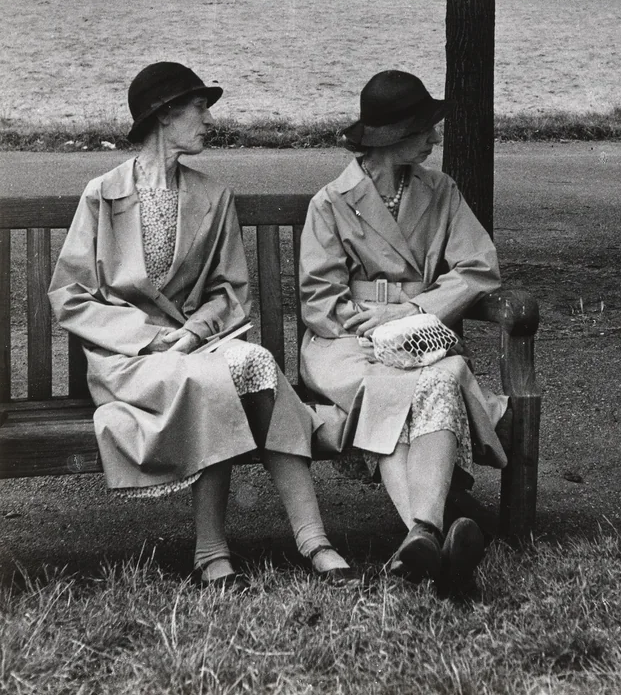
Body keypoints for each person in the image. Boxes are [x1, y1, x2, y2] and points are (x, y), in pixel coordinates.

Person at [47, 62, 354, 588]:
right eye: (198, 108)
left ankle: (314, 540)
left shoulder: (214, 196)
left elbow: (229, 292)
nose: (209, 119)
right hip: (129, 360)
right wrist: (149, 339)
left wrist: (191, 334)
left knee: (255, 363)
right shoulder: (103, 194)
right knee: (216, 381)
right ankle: (211, 552)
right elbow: (70, 295)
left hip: (195, 347)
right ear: (165, 117)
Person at [299, 70, 508, 588]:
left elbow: (479, 267)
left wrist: (412, 311)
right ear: (392, 138)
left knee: (440, 376)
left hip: (418, 331)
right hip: (345, 345)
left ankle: (422, 536)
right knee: (398, 389)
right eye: (424, 129)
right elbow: (320, 302)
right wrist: (376, 325)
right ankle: (432, 532)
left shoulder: (441, 192)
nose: (435, 138)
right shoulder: (329, 203)